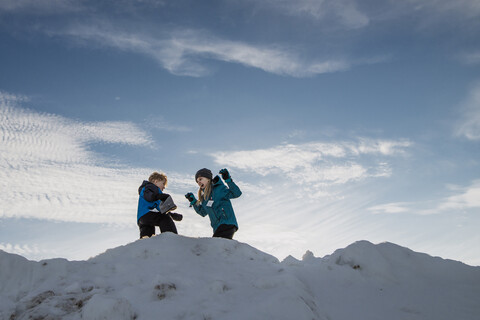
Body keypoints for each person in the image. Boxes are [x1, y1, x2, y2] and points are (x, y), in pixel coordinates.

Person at [185, 168, 241, 239]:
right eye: (197, 181)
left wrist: (228, 180)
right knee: (220, 247)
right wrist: (194, 202)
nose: (198, 182)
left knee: (214, 246)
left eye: (200, 179)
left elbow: (237, 193)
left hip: (227, 223)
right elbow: (202, 212)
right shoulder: (205, 198)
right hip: (217, 228)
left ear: (208, 179)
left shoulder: (219, 188)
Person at [137, 171, 182, 239]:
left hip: (142, 219)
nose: (164, 187)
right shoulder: (149, 187)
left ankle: (145, 248)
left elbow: (161, 209)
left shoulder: (153, 193)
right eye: (163, 184)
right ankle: (171, 239)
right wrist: (159, 196)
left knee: (148, 237)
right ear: (156, 181)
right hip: (147, 214)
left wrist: (172, 215)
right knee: (165, 219)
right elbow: (148, 196)